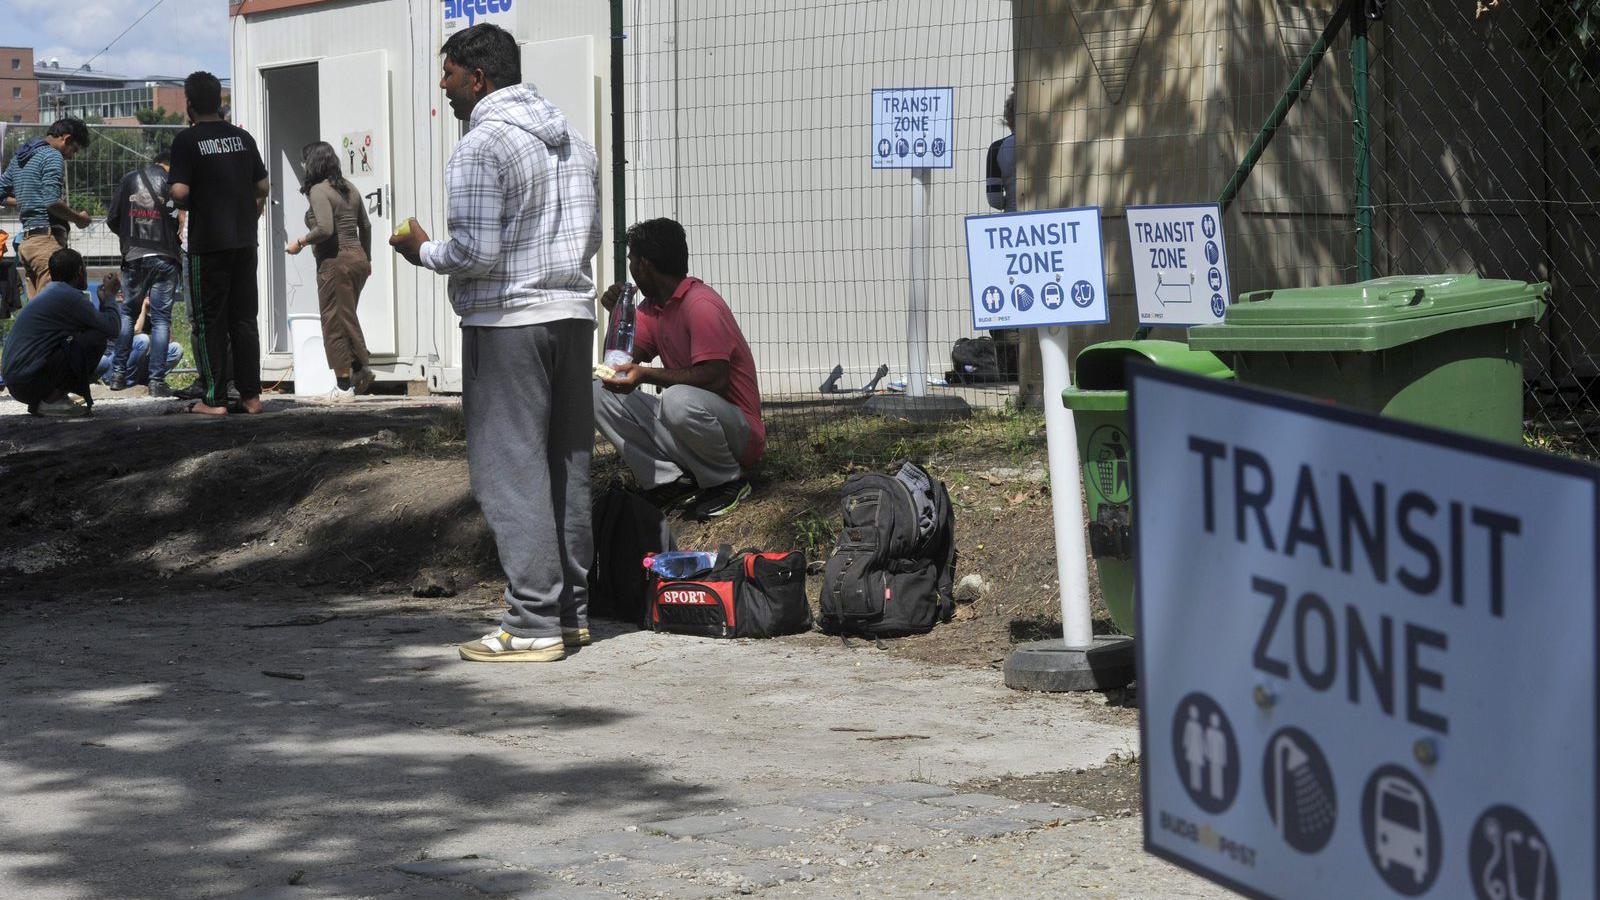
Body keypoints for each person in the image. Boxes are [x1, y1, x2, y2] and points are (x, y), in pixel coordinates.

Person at [389, 23, 601, 663]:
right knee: (567, 465)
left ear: (478, 78)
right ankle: (570, 613)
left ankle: (532, 621)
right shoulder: (578, 143)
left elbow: (476, 252)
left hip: (507, 322)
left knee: (509, 468)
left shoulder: (481, 146)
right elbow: (588, 240)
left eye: (449, 75)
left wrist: (420, 250)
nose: (446, 89)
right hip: (571, 313)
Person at [594, 218, 765, 521]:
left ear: (644, 264)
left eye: (631, 258)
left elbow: (714, 378)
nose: (630, 266)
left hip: (739, 436)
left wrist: (646, 374)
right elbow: (619, 363)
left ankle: (729, 481)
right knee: (597, 391)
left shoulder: (700, 304)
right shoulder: (651, 307)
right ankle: (670, 481)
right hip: (695, 426)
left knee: (677, 399)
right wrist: (621, 312)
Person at [168, 70, 270, 416]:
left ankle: (213, 399)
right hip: (244, 241)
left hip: (208, 245)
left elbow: (180, 192)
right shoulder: (243, 138)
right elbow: (263, 188)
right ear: (219, 102)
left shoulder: (186, 141)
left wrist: (185, 195)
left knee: (210, 320)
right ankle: (251, 396)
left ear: (189, 104)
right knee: (244, 319)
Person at [286, 140, 374, 398]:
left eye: (304, 160)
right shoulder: (350, 188)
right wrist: (367, 259)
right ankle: (357, 368)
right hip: (357, 260)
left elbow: (325, 229)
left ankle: (347, 382)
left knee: (333, 321)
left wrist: (300, 243)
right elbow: (366, 226)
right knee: (345, 315)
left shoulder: (318, 191)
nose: (302, 165)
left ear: (313, 162)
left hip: (336, 262)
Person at [0, 248, 117, 417]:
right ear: (79, 272)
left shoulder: (52, 293)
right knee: (95, 338)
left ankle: (48, 399)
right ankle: (52, 400)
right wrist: (110, 296)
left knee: (90, 348)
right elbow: (112, 329)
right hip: (27, 382)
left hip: (19, 383)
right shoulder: (70, 297)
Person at [105, 150, 183, 397]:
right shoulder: (172, 184)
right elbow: (177, 222)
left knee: (128, 315)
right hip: (165, 256)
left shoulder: (129, 179)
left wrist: (130, 239)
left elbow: (112, 219)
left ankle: (117, 375)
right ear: (169, 165)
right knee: (161, 319)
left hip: (135, 257)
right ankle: (156, 382)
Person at [0, 118, 94, 297]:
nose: (72, 156)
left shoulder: (21, 157)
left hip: (27, 245)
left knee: (37, 312)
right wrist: (79, 219)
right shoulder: (52, 156)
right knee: (52, 309)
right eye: (74, 149)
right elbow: (51, 201)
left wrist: (27, 199)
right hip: (46, 244)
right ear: (66, 139)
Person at [985, 91, 1016, 212]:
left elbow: (994, 200)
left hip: (1014, 215)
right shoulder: (1052, 144)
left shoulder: (997, 148)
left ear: (1009, 119)